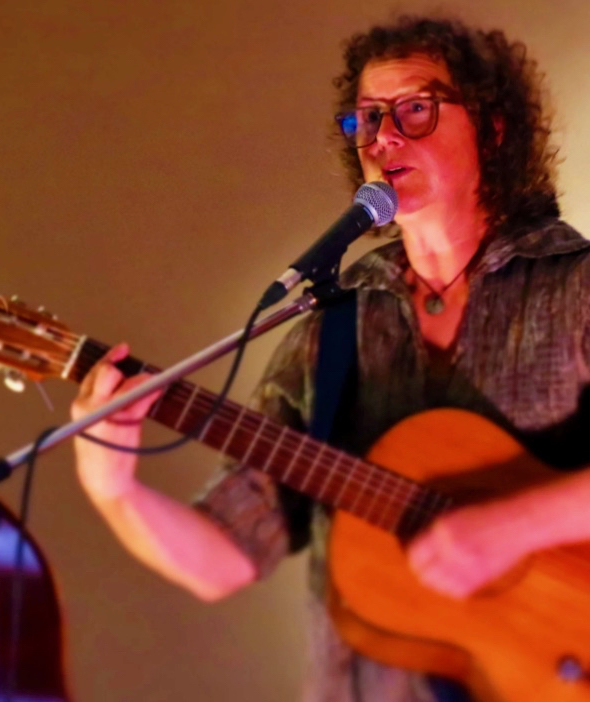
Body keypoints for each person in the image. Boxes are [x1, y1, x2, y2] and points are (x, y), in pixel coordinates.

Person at [73, 15, 590, 702]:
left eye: (414, 109)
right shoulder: (332, 330)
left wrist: (509, 527)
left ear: (493, 128)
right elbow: (222, 558)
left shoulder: (578, 287)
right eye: (368, 119)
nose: (385, 138)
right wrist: (115, 490)